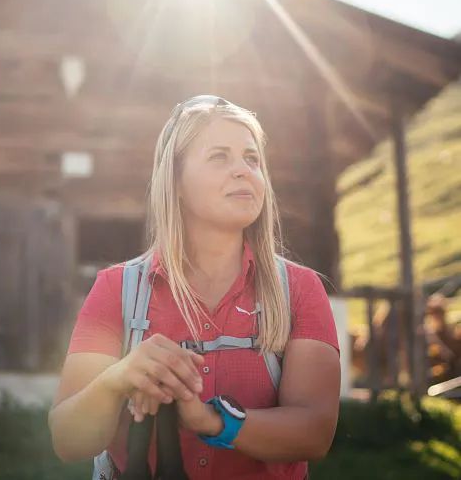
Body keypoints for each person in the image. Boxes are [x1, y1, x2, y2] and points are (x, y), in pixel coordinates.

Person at [49, 95, 341, 479]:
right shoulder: (116, 288)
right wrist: (117, 380)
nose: (243, 170)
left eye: (252, 159)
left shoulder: (300, 289)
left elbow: (314, 434)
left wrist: (210, 421)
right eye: (219, 156)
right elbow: (68, 440)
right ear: (177, 182)